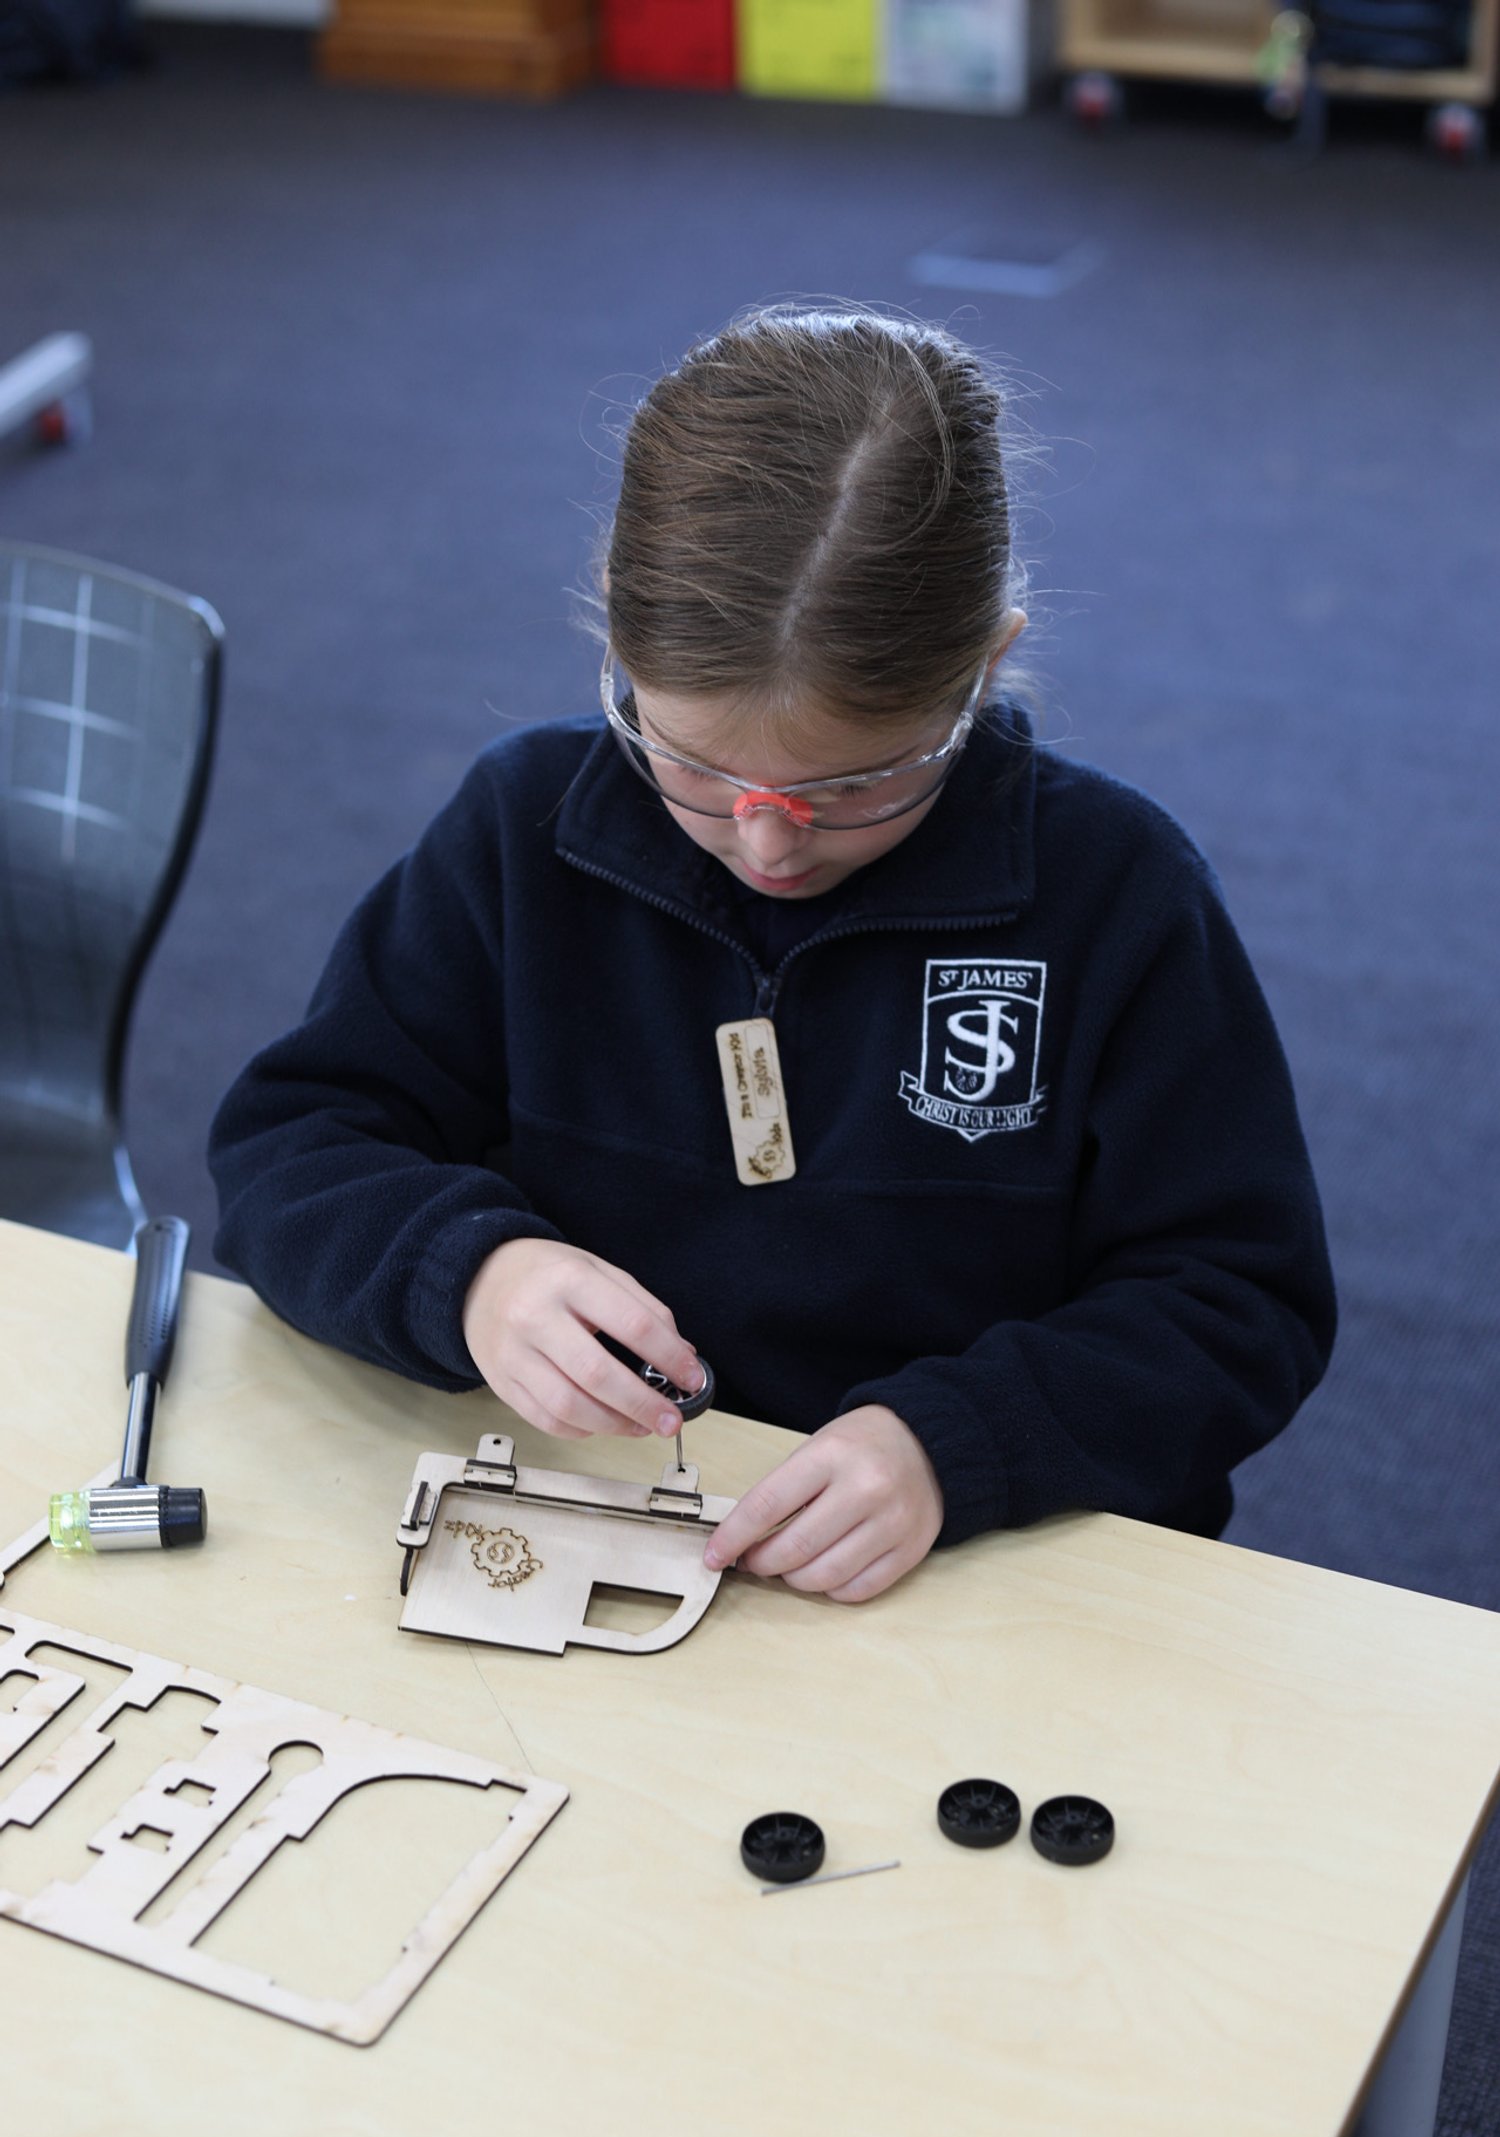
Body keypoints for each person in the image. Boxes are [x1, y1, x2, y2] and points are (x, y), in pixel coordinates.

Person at [209, 306, 1336, 1605]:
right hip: (597, 1517)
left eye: (855, 784)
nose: (767, 843)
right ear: (620, 659)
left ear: (985, 667)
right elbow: (290, 1144)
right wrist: (469, 1272)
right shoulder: (523, 831)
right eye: (689, 763)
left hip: (988, 1561)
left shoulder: (1119, 896)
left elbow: (1240, 1300)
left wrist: (958, 1445)